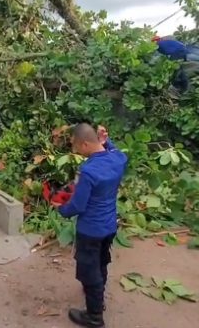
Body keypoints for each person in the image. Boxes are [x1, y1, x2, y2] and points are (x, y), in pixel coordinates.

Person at [55, 124, 128, 328]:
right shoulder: (118, 158)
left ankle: (94, 316)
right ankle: (98, 299)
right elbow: (113, 150)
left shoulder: (88, 171)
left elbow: (78, 205)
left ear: (86, 143)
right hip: (109, 226)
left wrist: (60, 208)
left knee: (89, 271)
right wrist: (107, 140)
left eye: (77, 147)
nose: (76, 151)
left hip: (90, 230)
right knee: (101, 262)